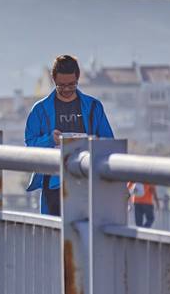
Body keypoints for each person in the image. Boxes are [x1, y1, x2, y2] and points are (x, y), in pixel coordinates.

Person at [25, 54, 114, 216]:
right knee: (55, 230)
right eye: (61, 86)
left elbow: (109, 143)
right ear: (54, 80)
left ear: (78, 78)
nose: (66, 89)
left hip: (86, 182)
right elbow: (30, 145)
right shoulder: (40, 110)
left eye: (71, 85)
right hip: (54, 184)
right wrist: (49, 139)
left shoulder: (93, 107)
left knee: (86, 230)